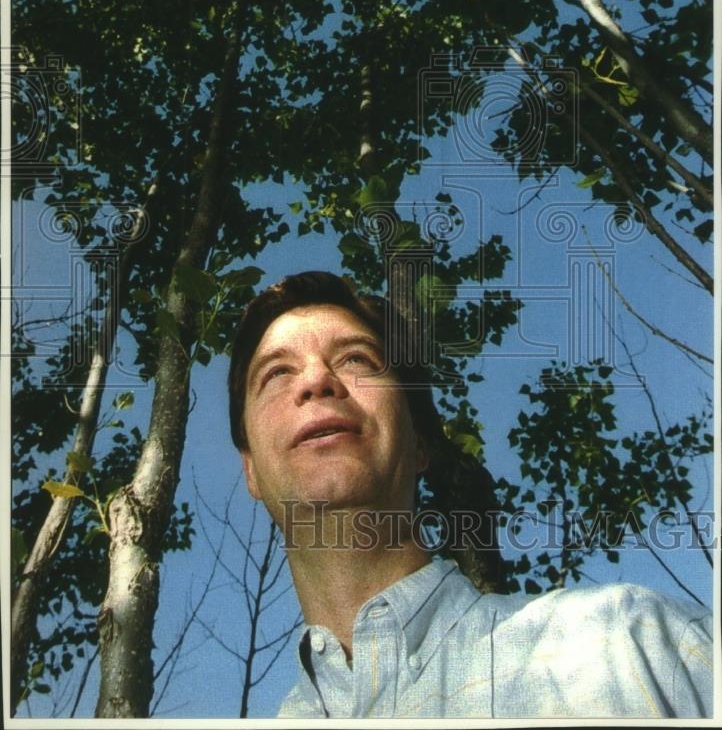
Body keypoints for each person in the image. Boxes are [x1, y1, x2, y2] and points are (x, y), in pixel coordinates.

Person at [228, 271, 714, 718]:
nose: (316, 380)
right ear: (250, 468)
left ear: (419, 441)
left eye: (356, 358)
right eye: (277, 373)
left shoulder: (635, 643)